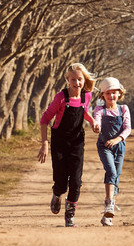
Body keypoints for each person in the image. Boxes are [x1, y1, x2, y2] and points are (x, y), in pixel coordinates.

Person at [38, 63, 97, 227]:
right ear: (67, 80)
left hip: (77, 142)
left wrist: (93, 122)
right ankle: (57, 194)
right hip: (59, 142)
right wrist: (44, 144)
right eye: (73, 80)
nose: (77, 83)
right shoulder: (61, 98)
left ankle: (70, 215)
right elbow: (45, 120)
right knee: (61, 181)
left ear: (84, 79)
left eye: (80, 79)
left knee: (76, 181)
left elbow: (84, 112)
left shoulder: (87, 96)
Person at [93, 77, 131, 226]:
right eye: (108, 93)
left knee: (116, 177)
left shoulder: (123, 109)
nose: (111, 96)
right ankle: (109, 203)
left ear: (119, 94)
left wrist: (117, 140)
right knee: (111, 172)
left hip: (119, 146)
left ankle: (108, 215)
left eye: (114, 93)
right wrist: (96, 126)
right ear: (103, 95)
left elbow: (127, 128)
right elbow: (96, 121)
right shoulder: (99, 110)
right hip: (104, 146)